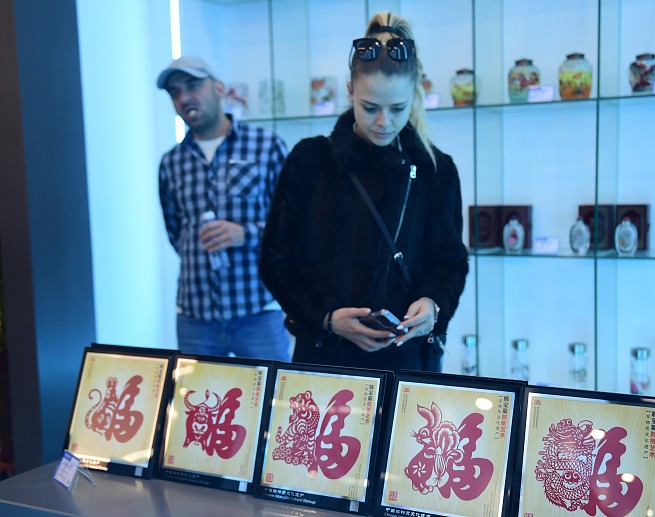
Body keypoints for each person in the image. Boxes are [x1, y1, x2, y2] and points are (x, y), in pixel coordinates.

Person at [259, 13, 469, 372]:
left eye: (398, 108)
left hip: (406, 362)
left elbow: (449, 261)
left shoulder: (436, 169)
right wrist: (326, 317)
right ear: (350, 91)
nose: (383, 121)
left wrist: (432, 305)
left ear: (416, 94)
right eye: (370, 107)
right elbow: (277, 259)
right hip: (325, 360)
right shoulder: (311, 160)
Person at [156, 55, 291, 361]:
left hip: (258, 310)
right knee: (198, 406)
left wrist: (245, 233)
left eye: (192, 86)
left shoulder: (266, 145)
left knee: (271, 403)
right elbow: (177, 232)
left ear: (219, 88)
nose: (184, 98)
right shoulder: (171, 162)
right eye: (174, 92)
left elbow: (292, 224)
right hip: (195, 316)